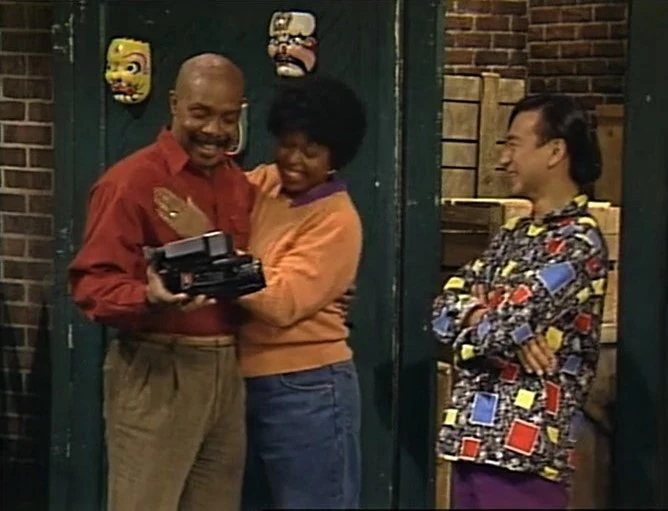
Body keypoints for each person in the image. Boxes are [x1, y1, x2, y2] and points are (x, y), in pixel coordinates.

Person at [154, 74, 367, 509]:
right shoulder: (264, 183)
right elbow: (218, 206)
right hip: (239, 380)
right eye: (287, 144)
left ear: (336, 157)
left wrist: (209, 243)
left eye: (311, 152)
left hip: (307, 389)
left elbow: (280, 302)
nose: (293, 160)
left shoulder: (337, 220)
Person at [68, 53, 254, 511]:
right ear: (174, 104)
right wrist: (148, 296)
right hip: (157, 365)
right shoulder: (129, 182)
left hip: (227, 370)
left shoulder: (238, 183)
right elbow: (91, 284)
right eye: (200, 113)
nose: (214, 129)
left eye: (228, 117)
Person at [431, 94, 608, 509]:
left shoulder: (578, 242)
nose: (503, 159)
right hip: (472, 442)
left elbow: (502, 330)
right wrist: (487, 315)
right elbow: (442, 312)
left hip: (525, 456)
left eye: (513, 144)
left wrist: (491, 320)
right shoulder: (512, 235)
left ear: (555, 151)